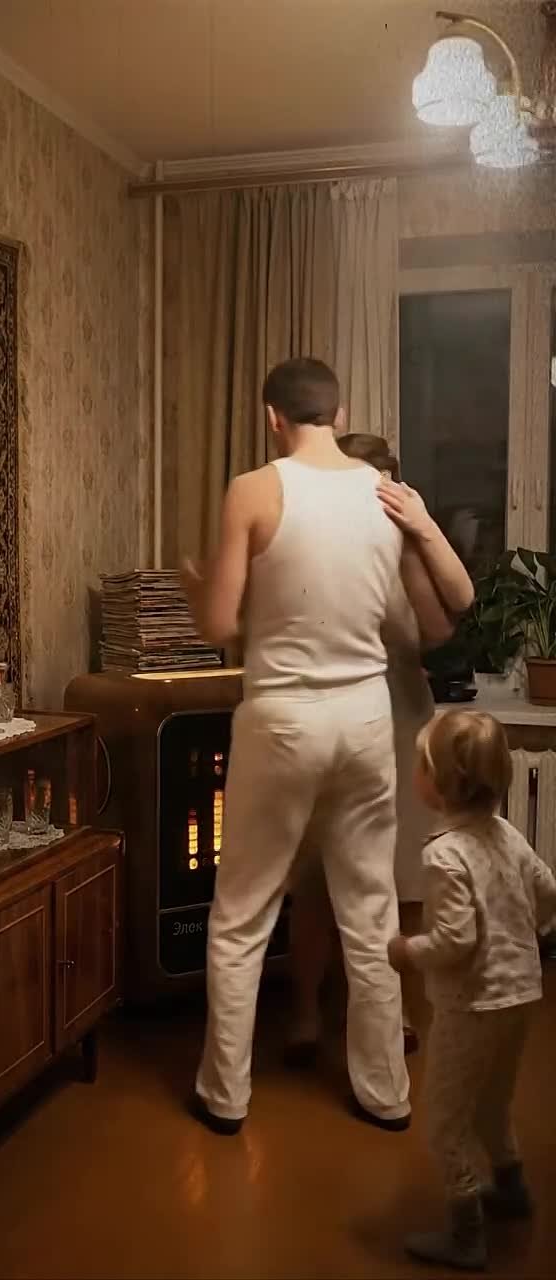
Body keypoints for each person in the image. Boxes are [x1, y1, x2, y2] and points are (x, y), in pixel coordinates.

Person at [181, 357, 469, 1136]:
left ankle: (225, 1095)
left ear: (271, 417)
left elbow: (219, 626)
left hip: (282, 718)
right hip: (366, 718)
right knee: (370, 912)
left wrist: (198, 587)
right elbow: (439, 614)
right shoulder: (383, 495)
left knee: (243, 913)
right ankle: (386, 1094)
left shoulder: (254, 489)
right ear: (338, 414)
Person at [287, 433, 472, 1062]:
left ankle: (393, 1011)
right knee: (315, 875)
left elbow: (442, 625)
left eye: (383, 485)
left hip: (398, 723)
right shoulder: (308, 540)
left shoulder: (406, 546)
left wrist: (417, 533)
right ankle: (306, 1010)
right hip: (325, 723)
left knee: (398, 876)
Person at [389, 711, 556, 1272]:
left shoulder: (444, 855)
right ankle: (511, 1188)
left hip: (472, 1005)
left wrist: (407, 950)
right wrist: (524, 932)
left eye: (421, 764)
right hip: (522, 994)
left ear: (439, 784)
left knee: (444, 1121)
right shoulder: (507, 833)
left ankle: (466, 1233)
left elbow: (455, 941)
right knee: (492, 1101)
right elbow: (548, 890)